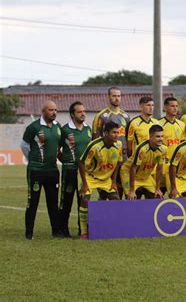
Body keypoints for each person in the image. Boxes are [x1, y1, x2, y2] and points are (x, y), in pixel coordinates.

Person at [20, 100, 62, 239]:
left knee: (53, 203)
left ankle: (56, 232)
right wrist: (33, 160)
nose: (54, 112)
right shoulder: (33, 127)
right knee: (33, 203)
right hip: (36, 172)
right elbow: (24, 145)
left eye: (55, 110)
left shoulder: (58, 127)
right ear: (43, 111)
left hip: (53, 171)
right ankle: (29, 233)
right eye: (51, 110)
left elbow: (59, 146)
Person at [78, 121, 122, 239]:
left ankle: (111, 228)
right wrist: (85, 184)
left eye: (118, 132)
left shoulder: (119, 145)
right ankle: (83, 232)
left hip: (106, 179)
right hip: (90, 177)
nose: (116, 135)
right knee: (85, 200)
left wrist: (113, 182)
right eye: (114, 132)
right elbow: (81, 163)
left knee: (116, 199)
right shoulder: (95, 145)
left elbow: (118, 163)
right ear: (106, 133)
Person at [58, 101, 92, 237]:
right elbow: (57, 150)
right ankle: (63, 230)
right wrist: (67, 162)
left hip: (84, 173)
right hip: (70, 171)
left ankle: (82, 230)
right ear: (72, 114)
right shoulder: (65, 130)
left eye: (84, 111)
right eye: (79, 112)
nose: (83, 114)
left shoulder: (88, 129)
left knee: (83, 201)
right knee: (66, 201)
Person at [122, 125, 167, 200]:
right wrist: (132, 190)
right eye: (158, 137)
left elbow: (159, 169)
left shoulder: (164, 149)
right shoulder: (142, 149)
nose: (161, 139)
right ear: (150, 137)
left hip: (145, 176)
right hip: (129, 173)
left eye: (162, 136)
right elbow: (133, 169)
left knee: (157, 196)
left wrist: (158, 188)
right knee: (131, 198)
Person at [92, 87, 130, 160]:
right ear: (108, 97)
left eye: (119, 96)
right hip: (107, 153)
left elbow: (129, 137)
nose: (117, 98)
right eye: (114, 96)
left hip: (123, 153)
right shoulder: (101, 116)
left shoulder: (126, 116)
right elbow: (95, 138)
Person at [157, 97, 186, 192]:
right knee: (158, 192)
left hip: (176, 164)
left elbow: (183, 143)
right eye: (172, 106)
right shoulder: (159, 124)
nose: (175, 108)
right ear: (165, 108)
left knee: (174, 192)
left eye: (176, 106)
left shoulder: (182, 124)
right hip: (163, 163)